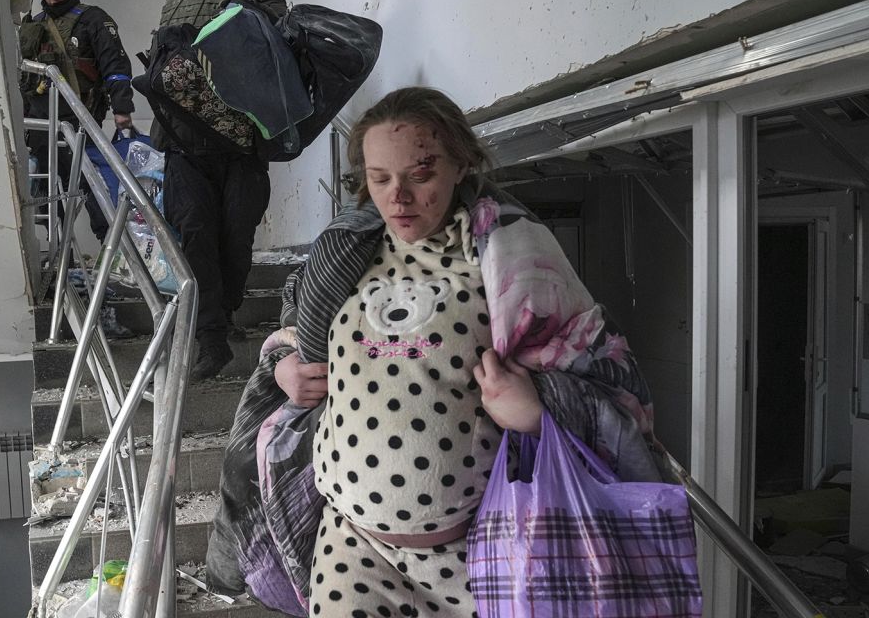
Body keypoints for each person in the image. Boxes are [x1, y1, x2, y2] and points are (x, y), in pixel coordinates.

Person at [261, 87, 662, 615]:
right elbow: (292, 332)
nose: (397, 198)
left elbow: (605, 375)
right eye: (379, 179)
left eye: (420, 175)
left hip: (479, 553)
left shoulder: (513, 256)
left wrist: (539, 411)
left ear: (461, 164)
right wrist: (283, 366)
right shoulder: (344, 250)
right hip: (352, 548)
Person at [154, 0, 288, 380]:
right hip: (183, 141)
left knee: (235, 237)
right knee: (194, 237)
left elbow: (272, 52)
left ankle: (224, 311)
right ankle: (209, 338)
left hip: (240, 140)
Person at [19, 0, 136, 337]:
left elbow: (115, 66)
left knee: (100, 204)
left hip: (77, 130)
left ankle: (119, 270)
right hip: (37, 134)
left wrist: (122, 112)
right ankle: (60, 274)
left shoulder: (92, 20)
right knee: (46, 211)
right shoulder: (30, 27)